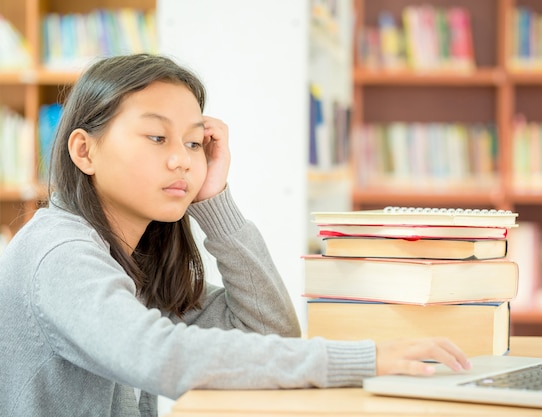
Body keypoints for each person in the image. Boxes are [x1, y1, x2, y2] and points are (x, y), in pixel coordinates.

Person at [0, 53, 471, 417]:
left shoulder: (130, 259)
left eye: (192, 142)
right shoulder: (59, 252)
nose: (182, 160)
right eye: (157, 137)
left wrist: (214, 200)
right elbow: (163, 357)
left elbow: (270, 330)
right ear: (84, 150)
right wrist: (362, 361)